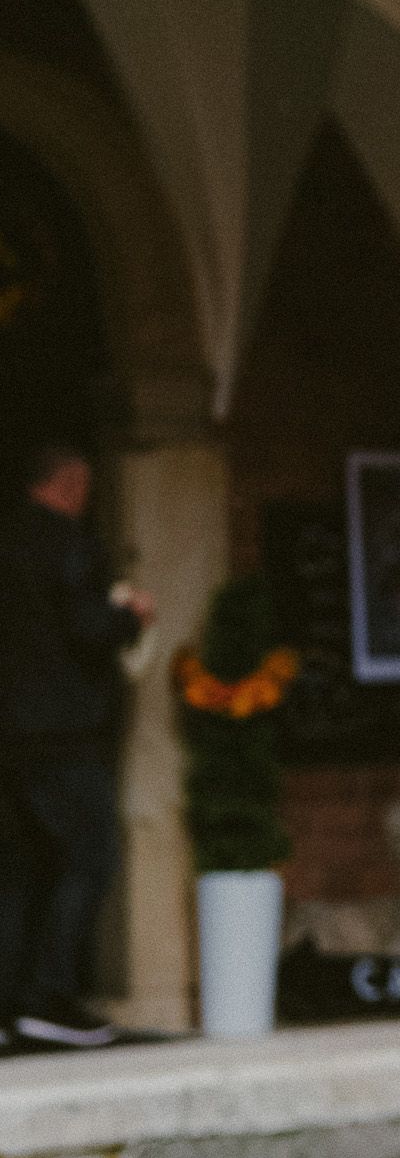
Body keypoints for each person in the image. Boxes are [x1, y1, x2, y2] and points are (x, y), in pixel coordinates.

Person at [0, 443, 155, 1048]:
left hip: (7, 735)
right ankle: (48, 998)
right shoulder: (66, 542)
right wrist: (132, 617)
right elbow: (87, 624)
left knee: (18, 870)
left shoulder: (6, 540)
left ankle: (9, 1006)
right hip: (61, 733)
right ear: (68, 484)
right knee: (90, 856)